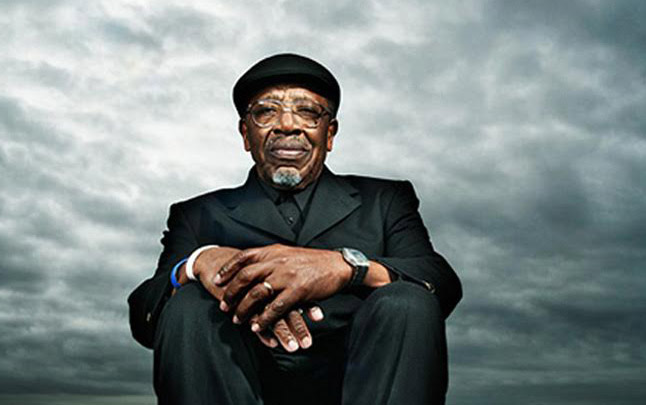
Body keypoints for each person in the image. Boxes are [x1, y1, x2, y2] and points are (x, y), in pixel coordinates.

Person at [128, 53, 462, 405]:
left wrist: (346, 268)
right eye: (266, 111)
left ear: (329, 133)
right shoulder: (196, 214)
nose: (287, 125)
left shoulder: (385, 199)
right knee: (189, 301)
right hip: (239, 384)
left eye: (307, 111)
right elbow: (144, 317)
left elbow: (440, 281)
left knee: (408, 300)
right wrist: (195, 263)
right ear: (245, 134)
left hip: (363, 383)